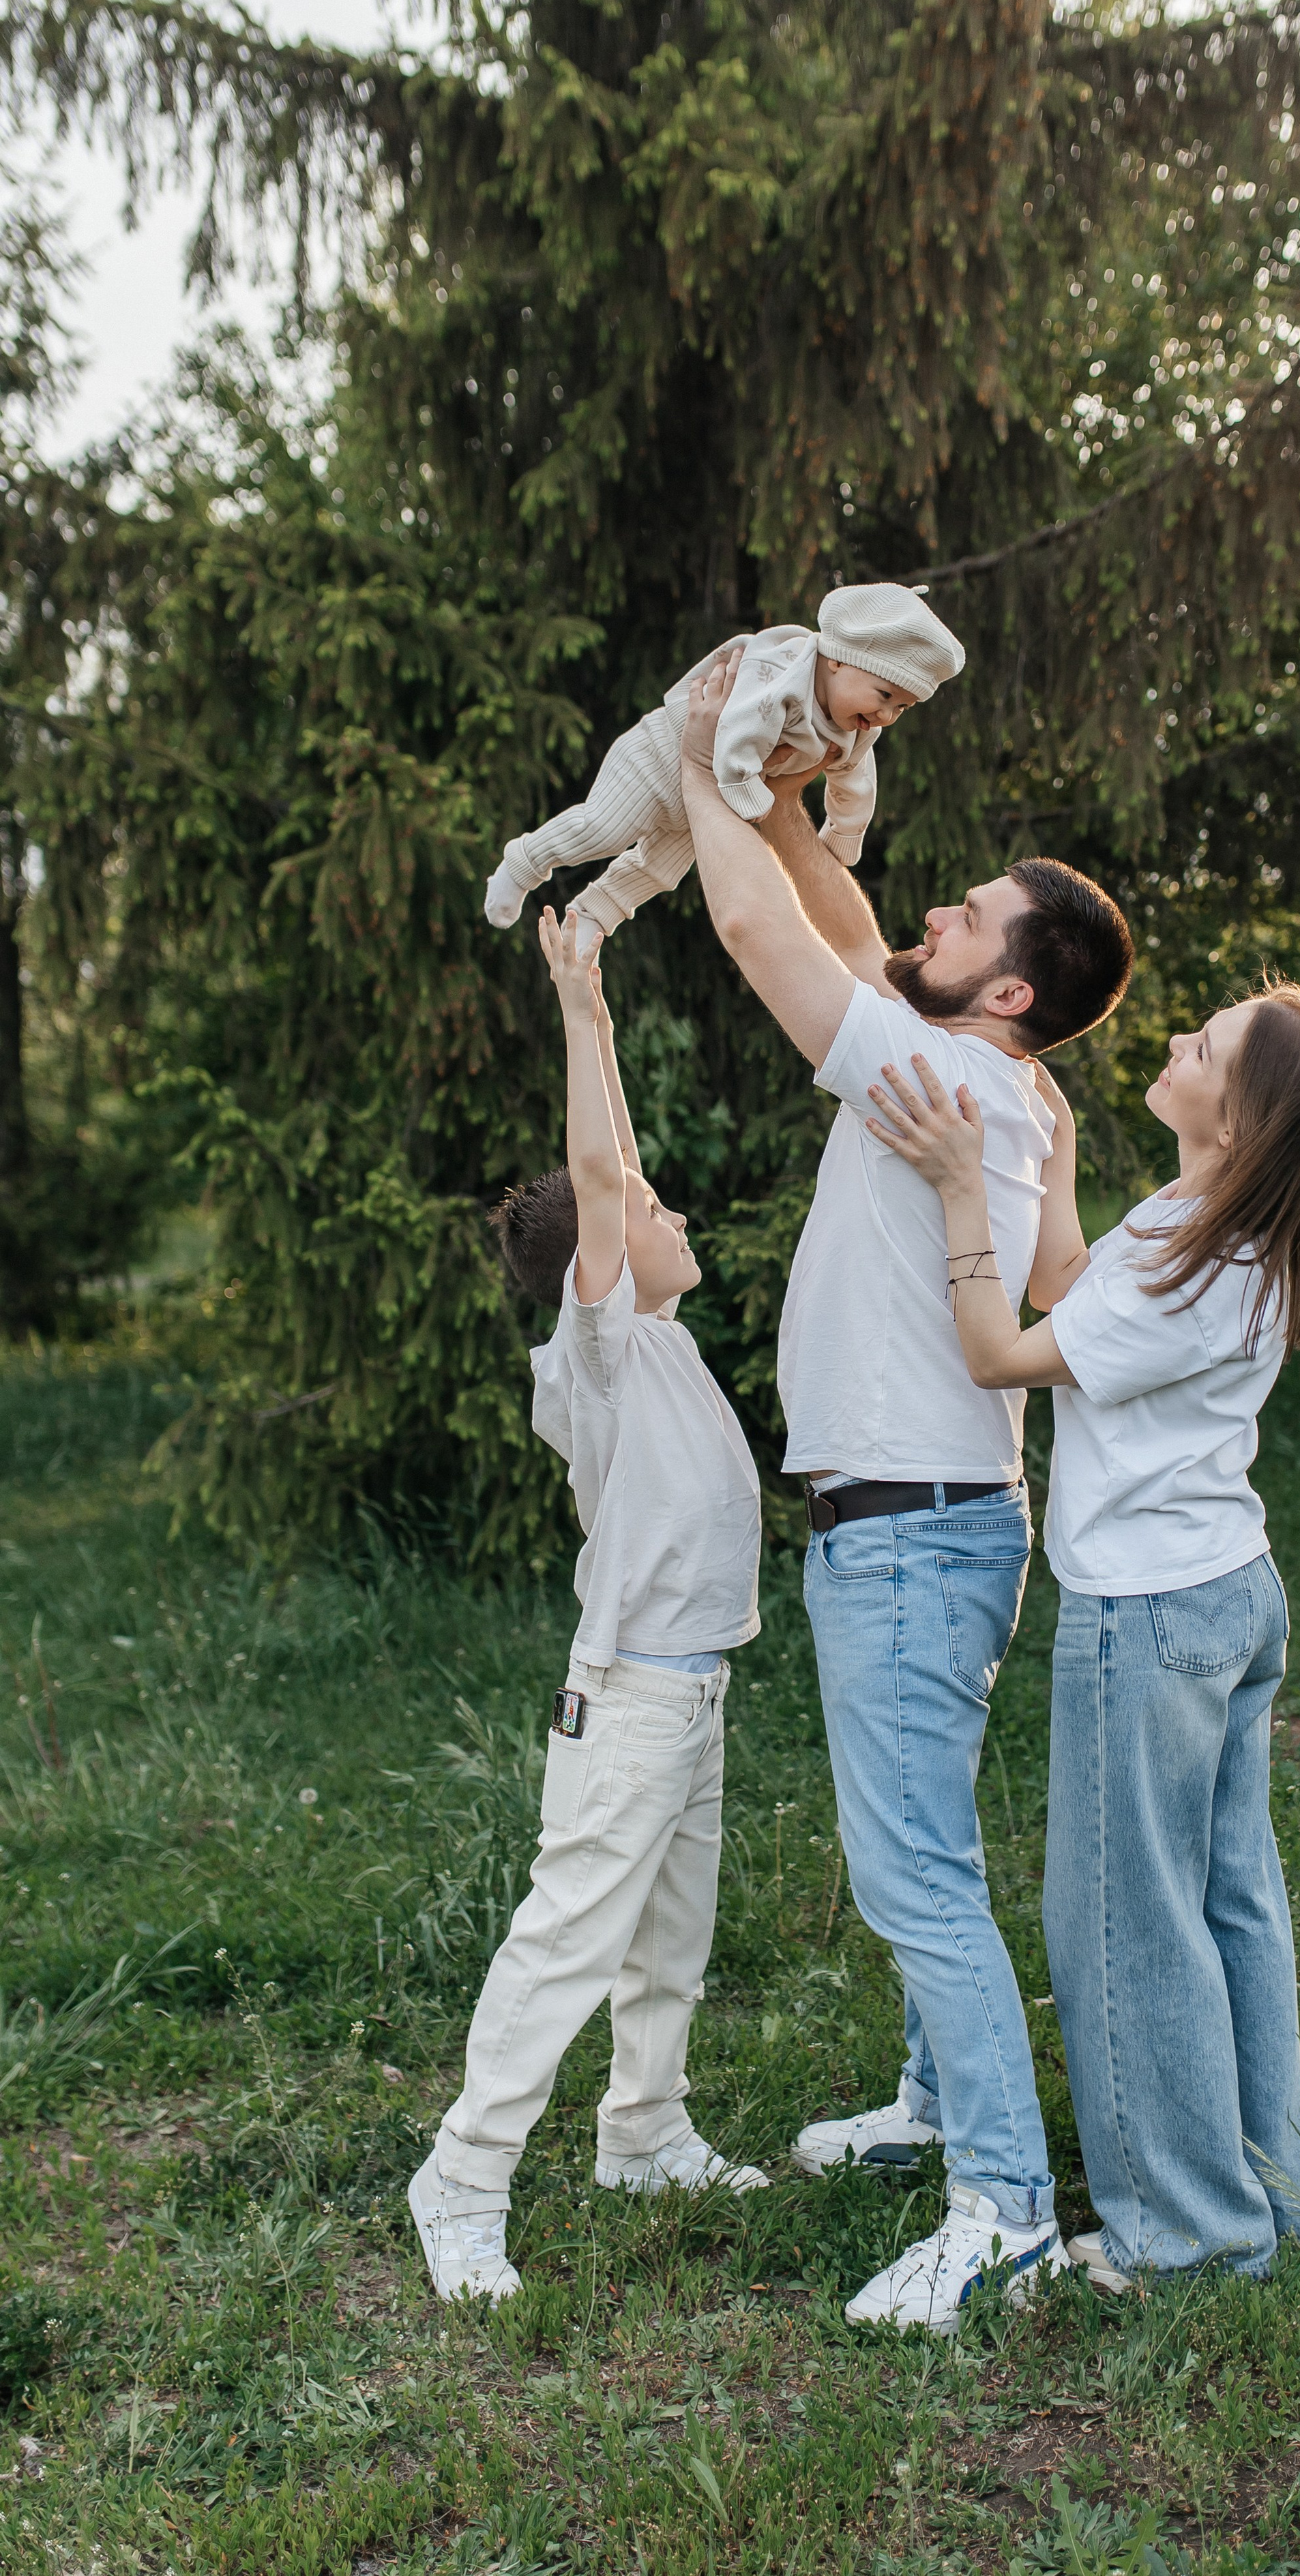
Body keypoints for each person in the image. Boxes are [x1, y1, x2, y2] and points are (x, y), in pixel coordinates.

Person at [675, 646, 1134, 2333]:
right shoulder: (981, 1072)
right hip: (929, 1527)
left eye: (957, 923)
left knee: (914, 1876)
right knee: (926, 1849)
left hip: (908, 1537)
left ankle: (999, 2204)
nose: (918, 923)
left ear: (1003, 989)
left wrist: (699, 768)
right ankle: (938, 2106)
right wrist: (793, 784)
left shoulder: (930, 1078)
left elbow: (754, 928)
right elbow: (831, 902)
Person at [864, 977, 1300, 2288]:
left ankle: (1187, 2237)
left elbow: (998, 1350)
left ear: (1240, 1115)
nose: (1174, 1042)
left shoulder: (1188, 1252)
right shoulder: (1226, 1231)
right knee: (1230, 1902)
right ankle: (1263, 2187)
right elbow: (1082, 1286)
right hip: (1229, 1594)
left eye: (1202, 1047)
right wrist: (1064, 1156)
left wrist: (963, 1184)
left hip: (1145, 1617)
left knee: (1125, 1922)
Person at [409, 910, 767, 2305]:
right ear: (598, 1266)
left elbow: (616, 1169)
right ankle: (462, 2175)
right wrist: (575, 1008)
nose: (669, 1212)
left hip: (696, 1689)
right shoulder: (598, 1353)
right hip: (629, 1698)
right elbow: (601, 1177)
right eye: (646, 1212)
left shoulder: (657, 1339)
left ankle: (644, 2131)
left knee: (669, 1938)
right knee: (569, 1939)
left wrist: (604, 1016)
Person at [480, 582, 965, 949]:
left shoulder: (856, 726)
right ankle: (523, 861)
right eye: (884, 695)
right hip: (663, 756)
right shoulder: (781, 667)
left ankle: (594, 915)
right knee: (604, 829)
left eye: (901, 708)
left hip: (712, 796)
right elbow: (739, 727)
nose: (885, 716)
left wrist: (844, 833)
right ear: (839, 658)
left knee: (660, 870)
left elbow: (857, 782)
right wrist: (745, 788)